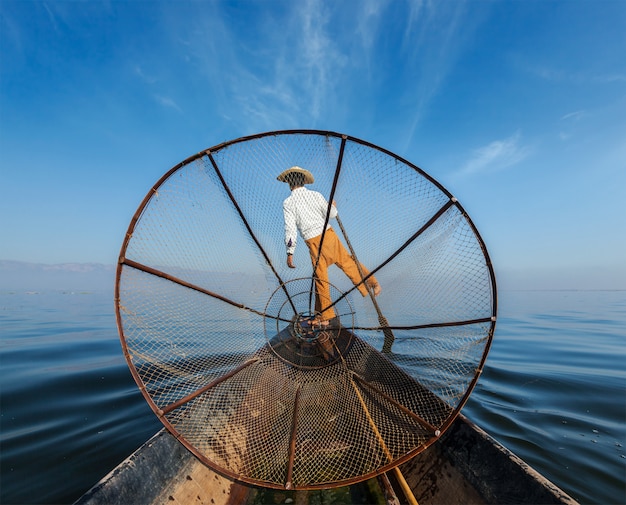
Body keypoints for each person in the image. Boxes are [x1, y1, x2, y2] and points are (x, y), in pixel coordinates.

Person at [277, 166, 381, 326]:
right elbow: (332, 214)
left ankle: (324, 317)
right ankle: (372, 283)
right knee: (348, 262)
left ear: (289, 184)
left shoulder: (288, 202)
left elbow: (290, 228)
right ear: (303, 182)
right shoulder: (316, 195)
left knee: (321, 279)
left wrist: (290, 252)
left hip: (313, 243)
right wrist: (332, 205)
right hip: (329, 235)